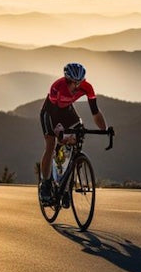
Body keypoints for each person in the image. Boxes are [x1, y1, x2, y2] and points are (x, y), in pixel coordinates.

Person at [38, 62, 109, 204]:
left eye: (79, 83)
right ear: (67, 80)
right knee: (51, 145)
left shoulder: (88, 88)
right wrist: (59, 132)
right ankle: (45, 184)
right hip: (50, 112)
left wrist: (105, 130)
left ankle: (66, 184)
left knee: (77, 137)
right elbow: (54, 113)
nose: (76, 86)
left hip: (67, 110)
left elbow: (95, 112)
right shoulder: (57, 87)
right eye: (72, 82)